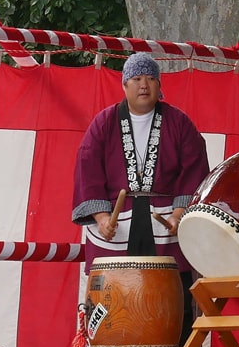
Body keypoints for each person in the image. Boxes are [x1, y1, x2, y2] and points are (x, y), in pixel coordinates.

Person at [71, 53, 211, 270]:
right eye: (136, 79)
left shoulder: (179, 123)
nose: (144, 85)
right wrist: (101, 218)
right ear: (125, 85)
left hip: (165, 221)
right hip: (117, 221)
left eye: (150, 78)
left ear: (159, 84)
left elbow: (194, 170)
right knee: (114, 294)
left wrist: (177, 215)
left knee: (170, 288)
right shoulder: (104, 123)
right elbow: (88, 171)